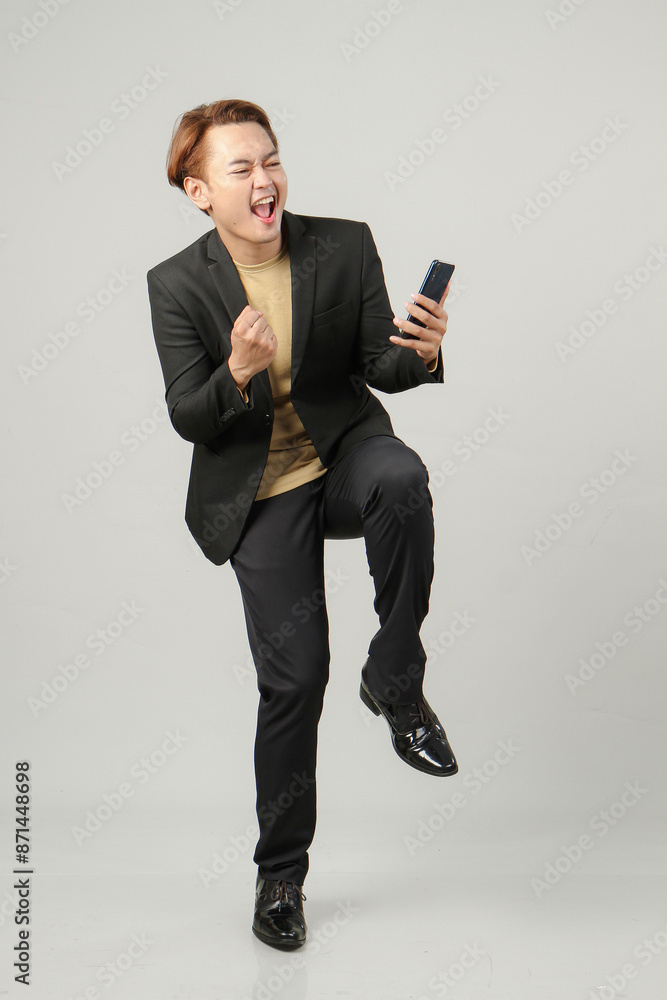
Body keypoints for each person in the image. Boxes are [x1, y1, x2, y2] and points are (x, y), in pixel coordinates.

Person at [147, 99, 458, 951]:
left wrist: (423, 351)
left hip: (344, 454)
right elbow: (188, 414)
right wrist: (237, 372)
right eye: (240, 168)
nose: (265, 180)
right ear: (199, 192)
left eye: (271, 160)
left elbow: (378, 365)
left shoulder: (342, 245)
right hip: (258, 488)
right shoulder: (175, 284)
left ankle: (395, 679)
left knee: (402, 478)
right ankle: (280, 878)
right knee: (295, 680)